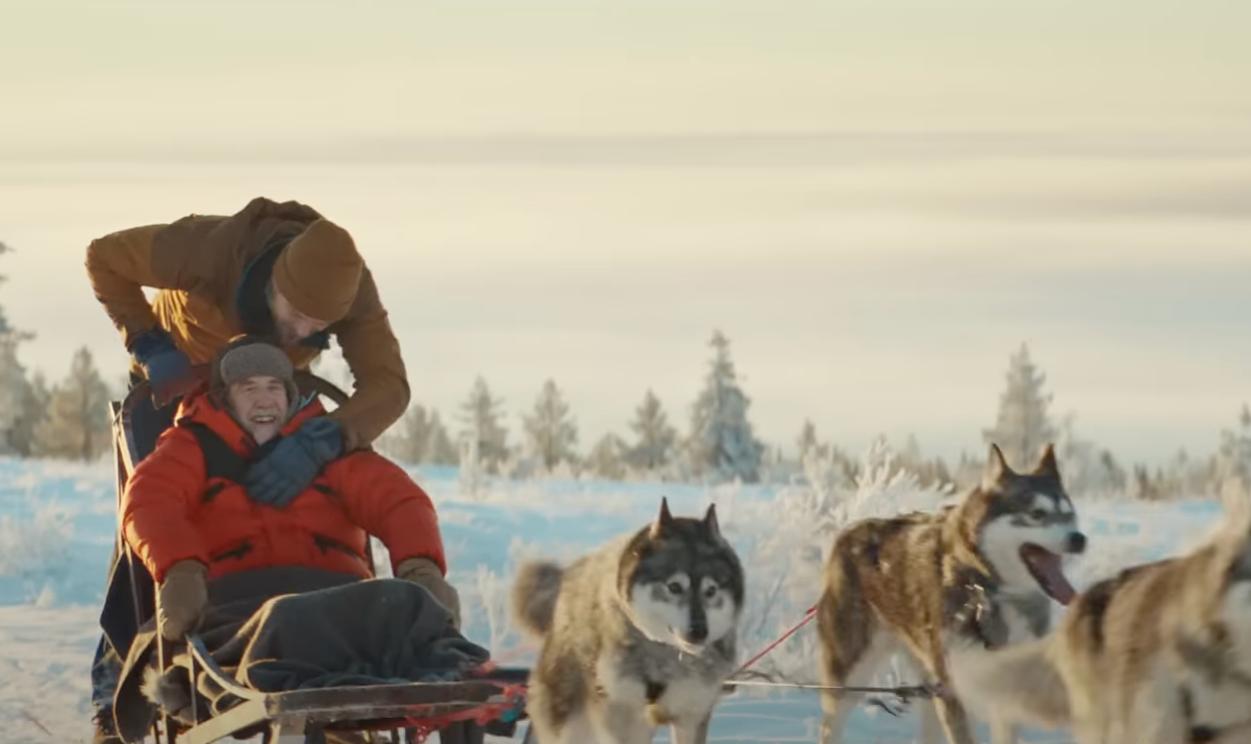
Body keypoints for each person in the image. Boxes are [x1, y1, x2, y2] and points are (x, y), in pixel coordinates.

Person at [85, 197, 412, 739]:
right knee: (152, 517)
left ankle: (318, 664)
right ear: (272, 284)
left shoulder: (350, 290)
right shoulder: (208, 250)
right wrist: (151, 344)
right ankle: (117, 681)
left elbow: (389, 386)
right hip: (178, 383)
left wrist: (326, 437)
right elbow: (104, 258)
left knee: (297, 511)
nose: (303, 330)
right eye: (296, 315)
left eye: (318, 326)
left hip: (272, 394)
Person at [120, 336, 457, 645]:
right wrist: (181, 570)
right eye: (248, 388)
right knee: (281, 625)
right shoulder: (192, 445)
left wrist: (420, 567)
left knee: (409, 620)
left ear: (290, 395)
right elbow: (150, 501)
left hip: (340, 595)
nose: (264, 401)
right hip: (235, 604)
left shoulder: (321, 445)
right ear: (224, 399)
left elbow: (397, 499)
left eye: (274, 388)